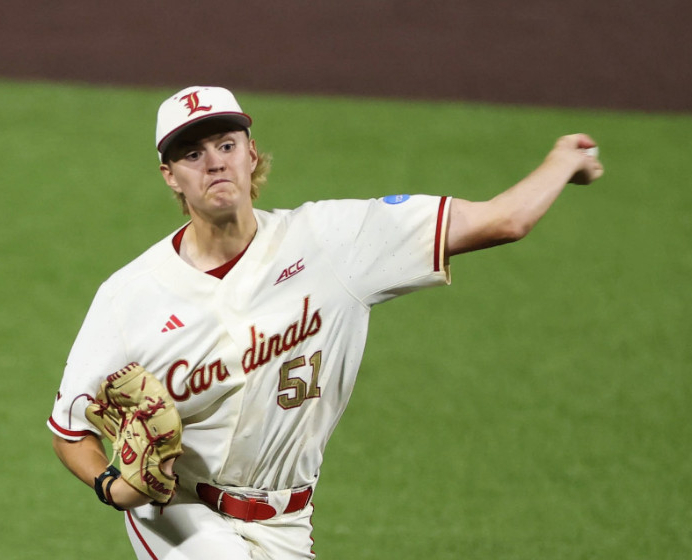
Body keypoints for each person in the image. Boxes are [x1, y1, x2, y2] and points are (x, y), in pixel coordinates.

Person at [48, 85, 604, 559]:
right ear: (170, 176)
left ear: (250, 154)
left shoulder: (333, 243)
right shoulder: (128, 297)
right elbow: (69, 430)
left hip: (288, 522)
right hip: (180, 515)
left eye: (226, 145)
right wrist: (110, 485)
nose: (214, 162)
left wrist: (563, 161)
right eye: (192, 154)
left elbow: (503, 221)